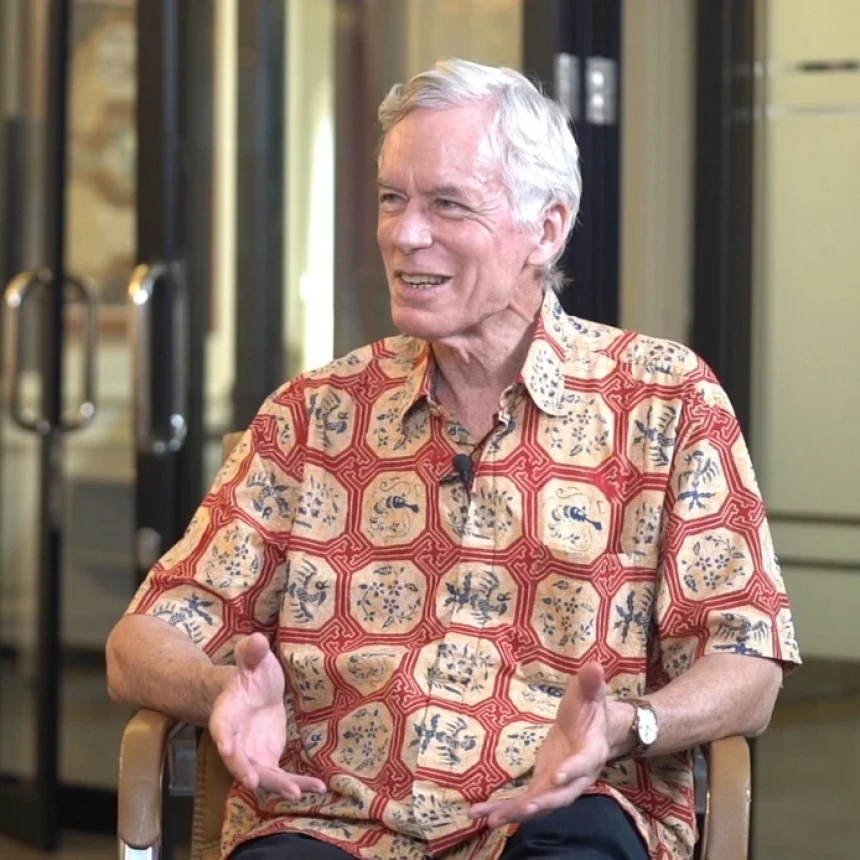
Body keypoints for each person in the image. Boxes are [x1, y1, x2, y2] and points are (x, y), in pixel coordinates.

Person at [107, 58, 800, 860]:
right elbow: (136, 644)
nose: (404, 234)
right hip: (330, 822)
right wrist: (218, 688)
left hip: (563, 810)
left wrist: (629, 724)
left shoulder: (664, 402)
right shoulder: (314, 416)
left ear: (547, 228)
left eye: (447, 204)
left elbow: (747, 661)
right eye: (391, 199)